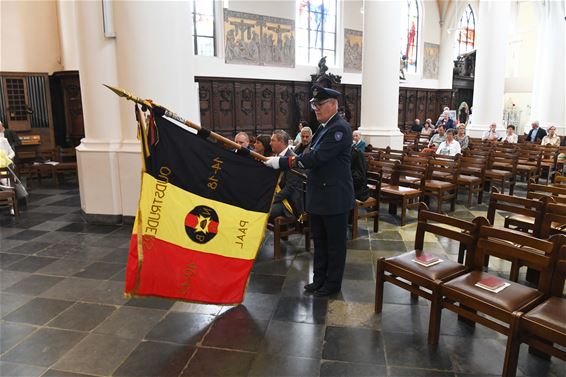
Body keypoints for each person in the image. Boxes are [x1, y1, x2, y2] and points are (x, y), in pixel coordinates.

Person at [264, 84, 354, 297]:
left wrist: (282, 162)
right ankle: (319, 279)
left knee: (334, 245)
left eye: (320, 104)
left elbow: (315, 158)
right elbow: (310, 156)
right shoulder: (323, 128)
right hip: (319, 195)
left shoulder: (340, 128)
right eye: (314, 104)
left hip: (334, 197)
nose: (315, 108)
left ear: (333, 105)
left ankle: (332, 284)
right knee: (320, 242)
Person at [269, 130, 303, 219]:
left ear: (281, 142)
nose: (270, 143)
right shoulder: (276, 156)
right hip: (280, 198)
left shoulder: (292, 160)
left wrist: (271, 199)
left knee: (262, 211)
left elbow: (290, 188)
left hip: (289, 202)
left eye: (272, 140)